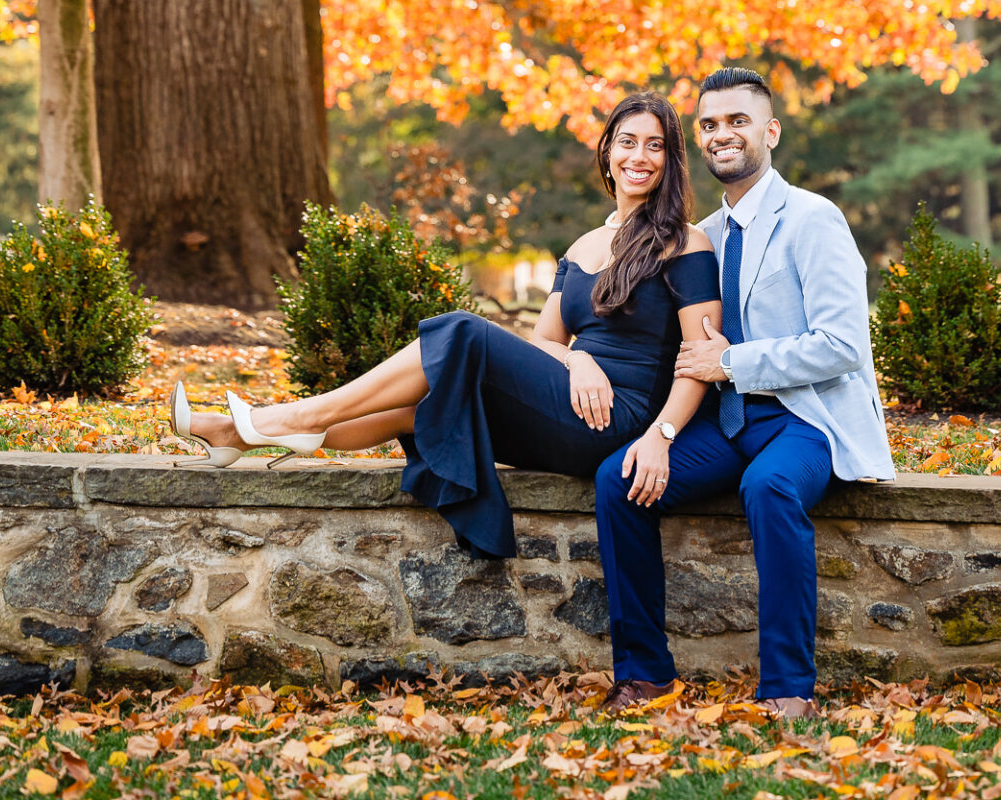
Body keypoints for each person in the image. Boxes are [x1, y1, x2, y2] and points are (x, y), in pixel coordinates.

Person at [171, 92, 722, 559]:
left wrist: (661, 435)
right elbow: (546, 343)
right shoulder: (582, 246)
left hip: (618, 422)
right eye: (627, 141)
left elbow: (697, 363)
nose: (639, 156)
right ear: (607, 152)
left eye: (656, 145)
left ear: (672, 160)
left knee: (461, 331)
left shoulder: (685, 244)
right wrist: (578, 359)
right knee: (421, 411)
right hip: (568, 401)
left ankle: (286, 417)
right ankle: (235, 434)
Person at [593, 66, 894, 716]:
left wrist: (737, 364)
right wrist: (656, 429)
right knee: (619, 480)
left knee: (771, 486)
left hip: (803, 421)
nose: (721, 134)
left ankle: (787, 688)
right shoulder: (702, 235)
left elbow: (842, 345)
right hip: (726, 427)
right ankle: (645, 674)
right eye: (708, 124)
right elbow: (685, 350)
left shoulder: (814, 219)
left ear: (771, 131)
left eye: (737, 121)